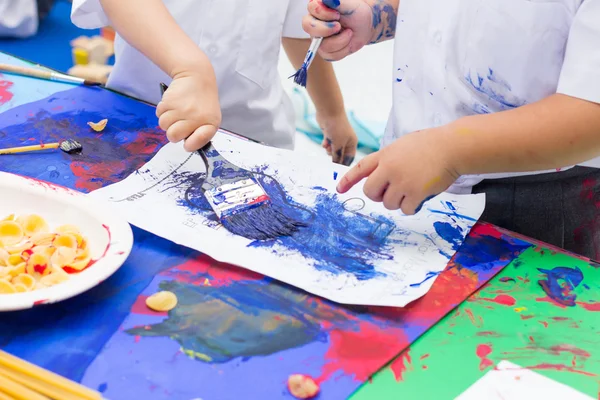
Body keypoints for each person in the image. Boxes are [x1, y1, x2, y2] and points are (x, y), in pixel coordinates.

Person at [304, 0, 600, 258]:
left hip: (535, 202)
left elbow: (592, 116)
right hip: (409, 171)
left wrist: (448, 151)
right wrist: (373, 16)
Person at [70, 0, 357, 165]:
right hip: (142, 123)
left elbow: (300, 26)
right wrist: (190, 69)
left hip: (255, 136)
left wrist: (332, 111)